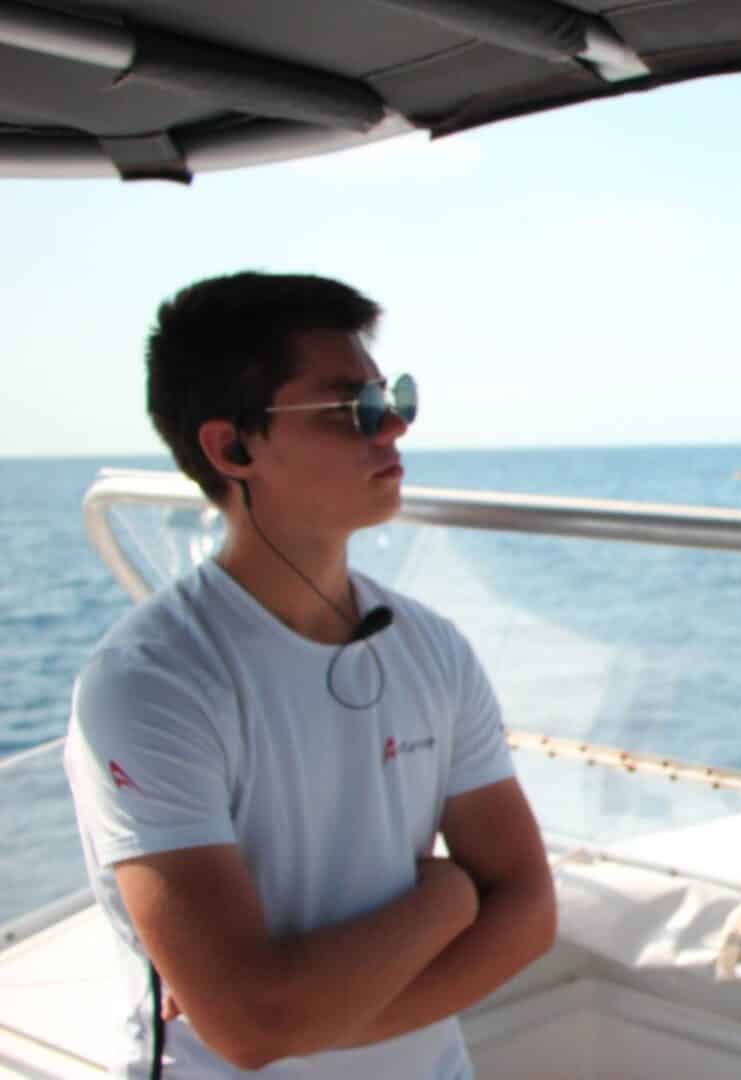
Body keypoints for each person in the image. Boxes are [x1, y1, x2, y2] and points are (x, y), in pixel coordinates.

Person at [63, 273, 556, 1077]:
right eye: (350, 408)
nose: (392, 426)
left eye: (392, 398)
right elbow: (252, 1027)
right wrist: (449, 897)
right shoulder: (149, 687)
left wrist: (309, 1019)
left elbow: (528, 912)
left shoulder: (433, 649)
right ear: (233, 448)